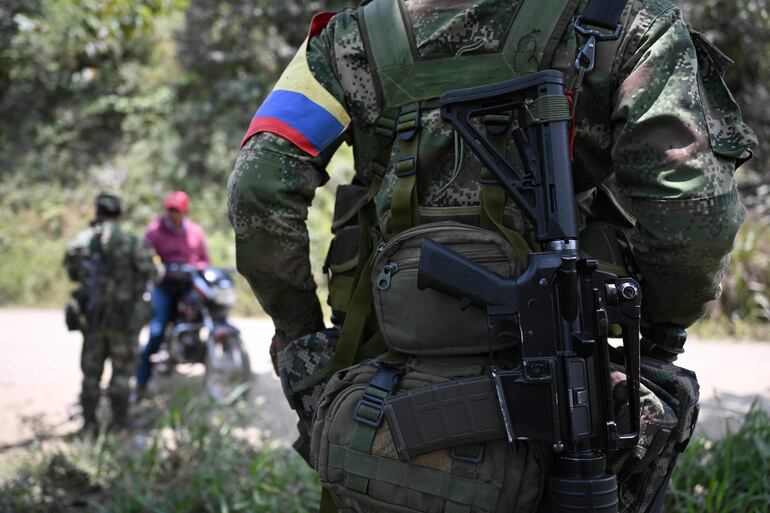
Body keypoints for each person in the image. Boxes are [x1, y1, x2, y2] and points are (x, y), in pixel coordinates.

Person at [227, 1, 756, 512]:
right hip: (565, 381)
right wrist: (655, 340)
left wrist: (303, 345)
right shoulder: (627, 22)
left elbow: (259, 186)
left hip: (386, 378)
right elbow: (694, 218)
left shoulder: (353, 38)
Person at [64, 192, 156, 433]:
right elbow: (155, 272)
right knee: (122, 373)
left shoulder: (80, 242)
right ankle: (121, 424)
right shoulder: (131, 242)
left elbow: (72, 273)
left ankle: (89, 426)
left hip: (93, 318)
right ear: (120, 214)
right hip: (124, 320)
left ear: (96, 212)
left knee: (91, 373)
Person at [135, 191, 210, 395]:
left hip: (188, 286)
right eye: (170, 209)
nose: (172, 214)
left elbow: (204, 259)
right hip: (164, 287)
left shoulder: (195, 232)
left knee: (203, 313)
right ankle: (140, 383)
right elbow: (145, 259)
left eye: (176, 210)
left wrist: (196, 267)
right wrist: (164, 269)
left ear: (185, 212)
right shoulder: (154, 232)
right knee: (157, 330)